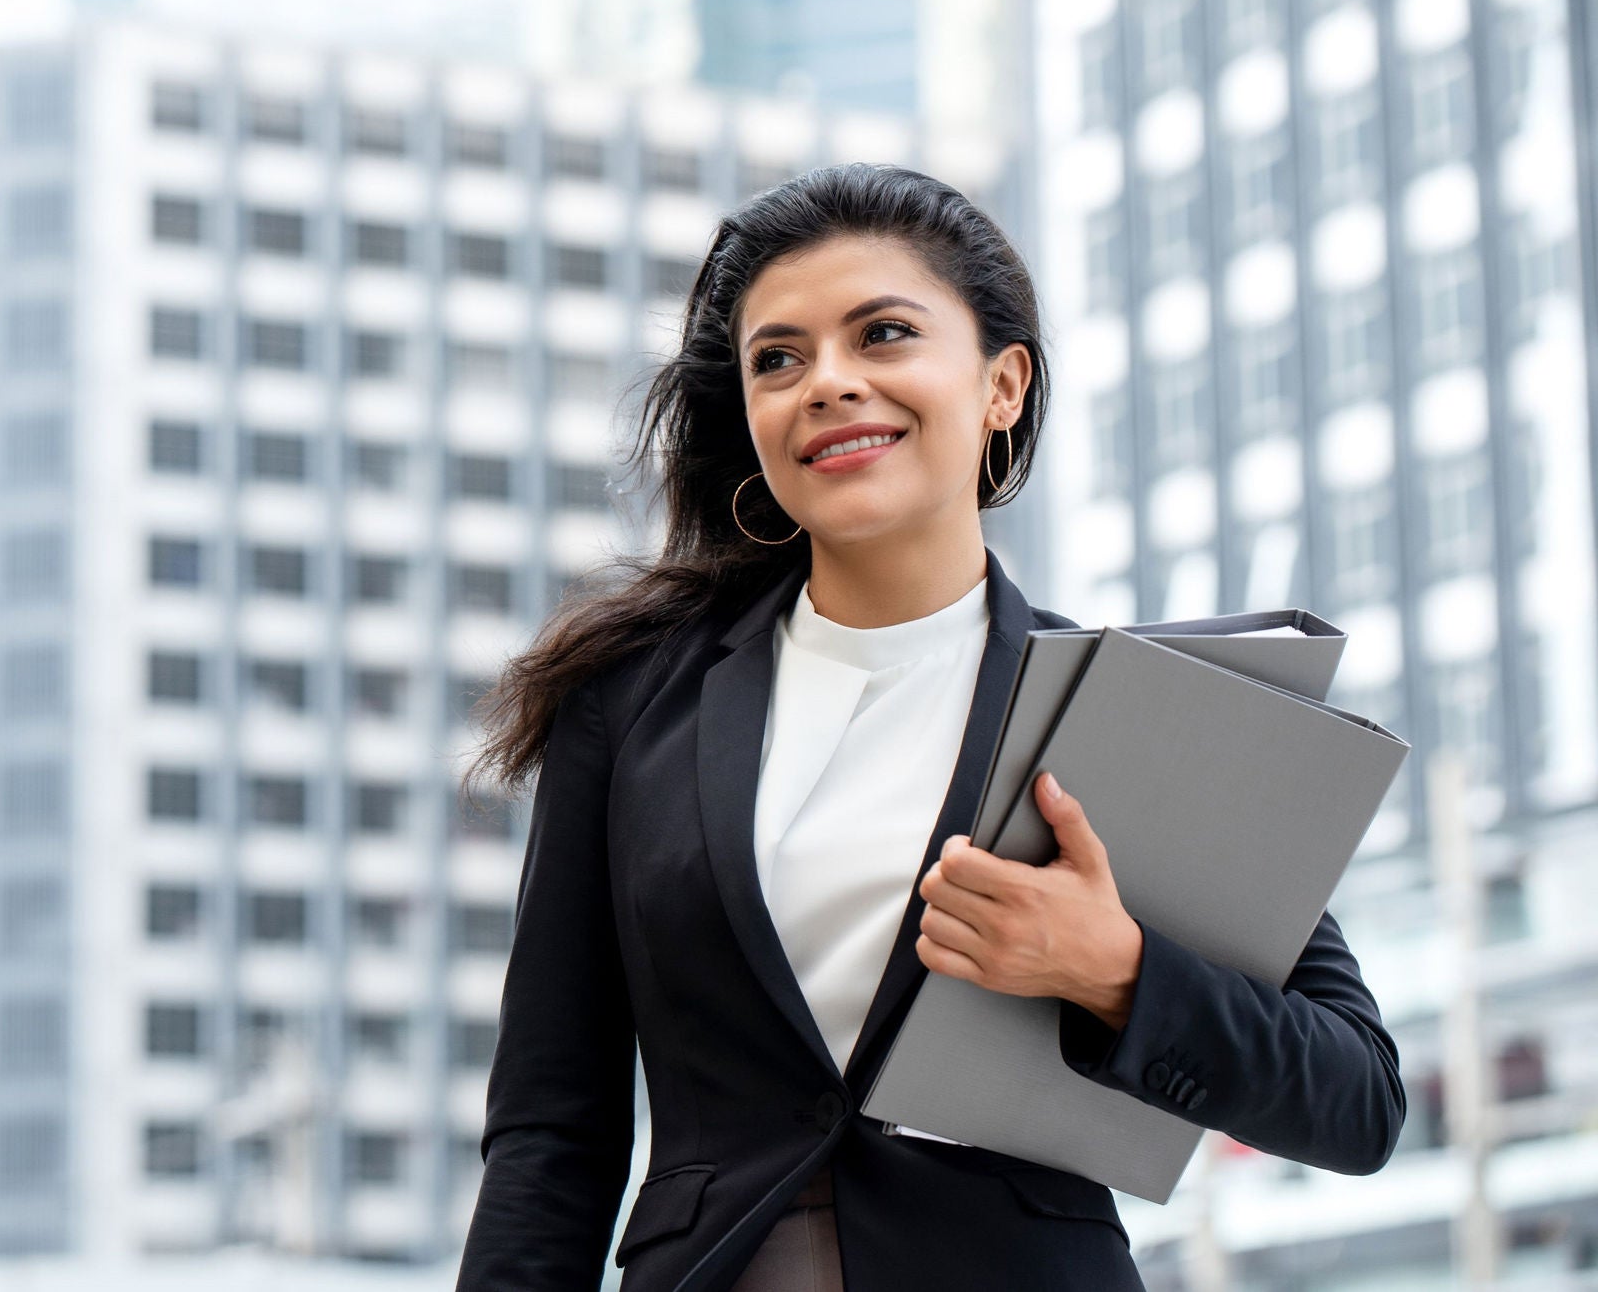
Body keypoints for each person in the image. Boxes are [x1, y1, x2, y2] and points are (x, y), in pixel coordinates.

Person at [453, 163, 1405, 1291]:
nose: (828, 383)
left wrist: (1114, 971)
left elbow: (1355, 1099)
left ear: (1000, 384)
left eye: (884, 334)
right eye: (779, 359)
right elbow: (549, 1136)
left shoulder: (1137, 715)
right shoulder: (628, 710)